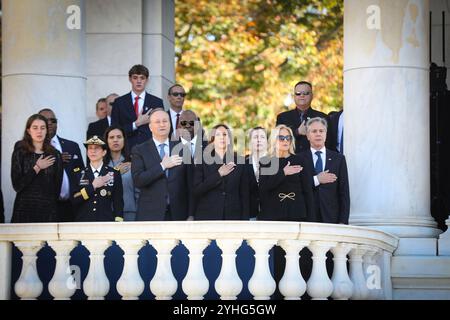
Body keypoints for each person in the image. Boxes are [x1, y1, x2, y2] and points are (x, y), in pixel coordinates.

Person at [131, 108, 189, 221]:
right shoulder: (139, 149)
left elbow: (189, 182)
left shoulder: (182, 148)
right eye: (157, 122)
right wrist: (162, 166)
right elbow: (138, 180)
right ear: (150, 127)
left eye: (165, 121)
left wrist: (191, 214)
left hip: (179, 214)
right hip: (150, 213)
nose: (162, 124)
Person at [11, 114, 63, 223]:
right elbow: (17, 185)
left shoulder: (55, 154)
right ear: (29, 131)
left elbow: (56, 188)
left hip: (48, 211)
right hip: (24, 210)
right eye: (35, 128)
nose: (39, 131)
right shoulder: (20, 153)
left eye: (42, 128)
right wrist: (37, 167)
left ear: (46, 131)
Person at [258, 124, 315, 222]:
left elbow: (307, 191)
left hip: (297, 214)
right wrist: (283, 173)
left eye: (288, 138)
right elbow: (263, 188)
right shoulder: (266, 161)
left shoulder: (300, 160)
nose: (285, 141)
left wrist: (311, 219)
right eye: (281, 138)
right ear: (274, 140)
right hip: (273, 214)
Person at [193, 124, 249, 220]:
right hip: (208, 215)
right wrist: (218, 174)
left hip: (233, 217)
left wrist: (245, 219)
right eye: (218, 135)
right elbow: (197, 190)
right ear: (213, 139)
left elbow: (244, 193)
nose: (222, 137)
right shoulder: (202, 160)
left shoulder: (240, 161)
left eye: (225, 134)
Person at [299, 117, 350, 224]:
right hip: (306, 219)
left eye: (321, 131)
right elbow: (298, 187)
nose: (318, 134)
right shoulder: (299, 159)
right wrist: (317, 179)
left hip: (332, 219)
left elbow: (344, 193)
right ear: (308, 136)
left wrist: (343, 222)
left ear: (326, 134)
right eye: (314, 131)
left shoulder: (339, 159)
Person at [38, 108, 84, 222]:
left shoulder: (72, 146)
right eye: (45, 120)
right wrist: (56, 160)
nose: (49, 123)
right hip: (46, 207)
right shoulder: (34, 149)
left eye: (53, 121)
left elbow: (82, 174)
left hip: (71, 206)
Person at [70, 136, 124, 222]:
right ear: (87, 152)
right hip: (84, 222)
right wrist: (93, 186)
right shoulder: (78, 173)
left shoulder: (114, 173)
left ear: (104, 152)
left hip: (106, 222)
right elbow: (74, 199)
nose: (93, 151)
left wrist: (118, 222)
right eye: (90, 148)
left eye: (97, 148)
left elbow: (118, 201)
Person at [111, 64, 165, 150]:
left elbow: (162, 129)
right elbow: (114, 130)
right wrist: (136, 124)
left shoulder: (156, 102)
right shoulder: (119, 102)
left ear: (147, 80)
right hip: (126, 150)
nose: (139, 81)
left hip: (151, 150)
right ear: (130, 79)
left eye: (142, 78)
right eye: (135, 78)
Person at [276, 81, 326, 153]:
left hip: (314, 162)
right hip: (289, 162)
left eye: (306, 93)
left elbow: (329, 145)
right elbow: (277, 141)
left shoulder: (323, 118)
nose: (302, 95)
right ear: (294, 96)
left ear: (312, 96)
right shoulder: (282, 117)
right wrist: (297, 132)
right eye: (298, 93)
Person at [176, 110, 208, 220]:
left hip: (204, 208)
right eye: (184, 123)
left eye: (192, 123)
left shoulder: (209, 148)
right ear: (179, 125)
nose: (188, 126)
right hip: (177, 209)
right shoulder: (170, 148)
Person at [104, 125, 139, 221]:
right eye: (111, 137)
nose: (115, 140)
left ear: (124, 140)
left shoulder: (133, 162)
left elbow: (138, 192)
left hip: (129, 213)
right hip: (106, 213)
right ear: (106, 141)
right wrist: (116, 172)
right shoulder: (100, 163)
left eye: (119, 137)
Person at [246, 127, 268, 220]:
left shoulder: (276, 161)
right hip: (249, 214)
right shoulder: (242, 163)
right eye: (255, 137)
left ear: (267, 141)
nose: (259, 140)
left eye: (262, 137)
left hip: (271, 213)